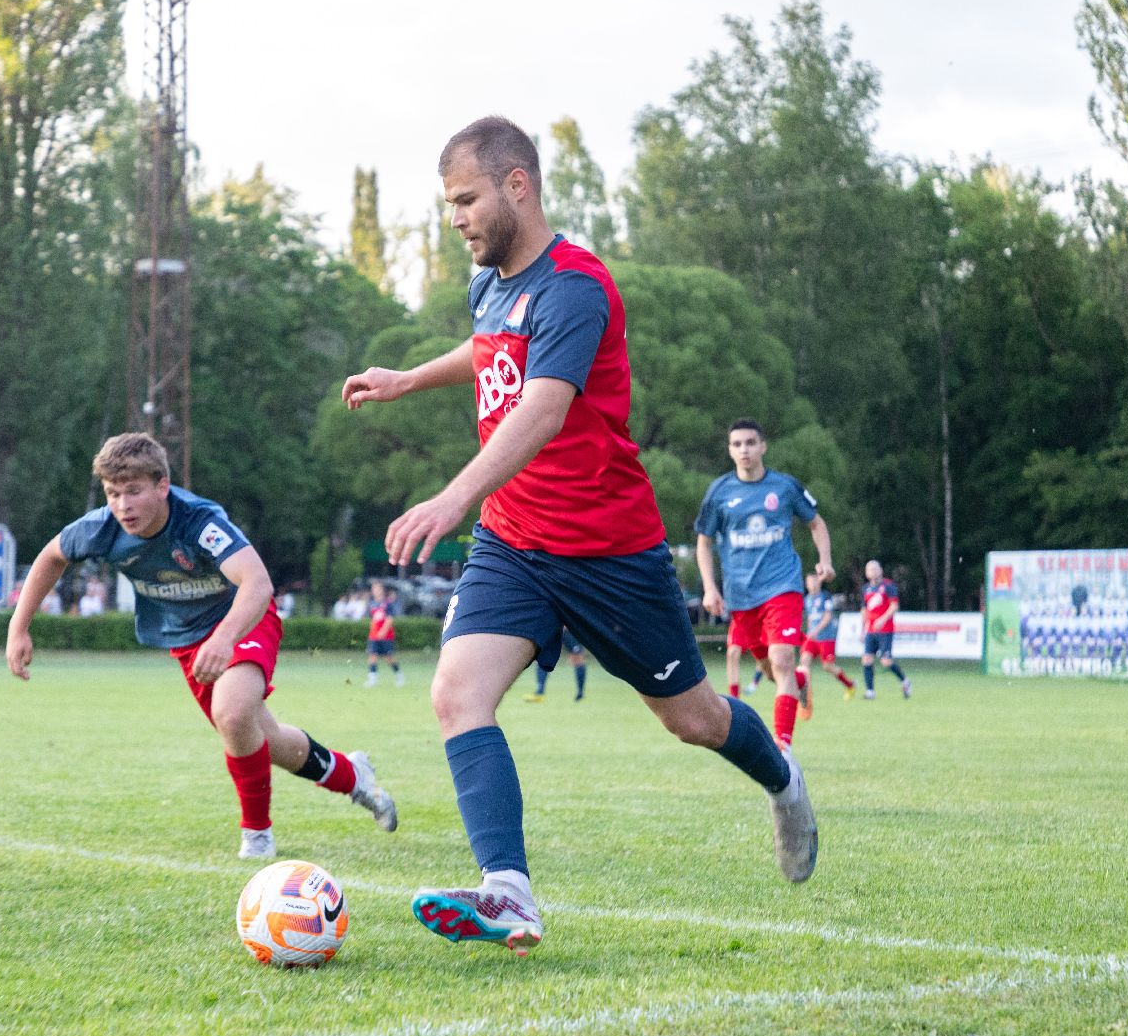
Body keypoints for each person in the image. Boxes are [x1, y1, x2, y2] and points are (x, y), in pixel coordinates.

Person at [339, 116, 815, 956]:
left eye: (467, 199)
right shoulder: (495, 282)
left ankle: (782, 778)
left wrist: (451, 499)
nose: (456, 218)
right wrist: (408, 378)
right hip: (514, 543)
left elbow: (543, 409)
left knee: (695, 719)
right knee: (456, 694)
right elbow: (492, 349)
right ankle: (508, 892)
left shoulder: (576, 287)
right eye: (450, 203)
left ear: (517, 184)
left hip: (608, 553)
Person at [6, 432, 398, 860]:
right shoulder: (101, 528)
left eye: (133, 491)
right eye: (113, 493)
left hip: (244, 619)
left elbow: (258, 583)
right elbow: (51, 557)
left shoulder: (198, 522)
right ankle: (354, 776)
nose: (123, 505)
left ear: (162, 486)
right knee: (262, 738)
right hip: (190, 641)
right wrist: (19, 627)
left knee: (231, 712)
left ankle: (257, 835)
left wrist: (226, 637)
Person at [695, 418, 834, 751]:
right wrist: (710, 588)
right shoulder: (719, 492)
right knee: (771, 669)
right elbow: (704, 541)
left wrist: (825, 560)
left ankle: (782, 747)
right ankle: (800, 681)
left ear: (763, 446)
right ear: (730, 450)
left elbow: (816, 523)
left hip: (782, 587)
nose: (745, 449)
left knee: (782, 658)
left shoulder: (784, 487)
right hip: (741, 597)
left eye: (750, 442)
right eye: (738, 444)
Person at [796, 571, 856, 706]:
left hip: (826, 637)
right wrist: (810, 630)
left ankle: (850, 685)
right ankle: (805, 693)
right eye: (809, 582)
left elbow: (828, 616)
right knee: (803, 661)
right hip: (812, 638)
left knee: (827, 666)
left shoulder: (826, 597)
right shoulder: (807, 599)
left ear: (818, 582)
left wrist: (815, 630)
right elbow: (811, 617)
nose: (811, 584)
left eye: (813, 581)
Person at [861, 559, 913, 699]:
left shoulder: (888, 586)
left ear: (881, 570)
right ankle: (870, 691)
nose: (873, 572)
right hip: (871, 631)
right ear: (867, 573)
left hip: (885, 630)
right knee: (866, 659)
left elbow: (894, 606)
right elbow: (864, 610)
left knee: (886, 661)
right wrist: (862, 629)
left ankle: (905, 681)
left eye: (875, 569)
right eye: (870, 569)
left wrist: (882, 619)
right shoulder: (865, 589)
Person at [523, 627, 587, 702]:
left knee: (577, 658)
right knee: (542, 656)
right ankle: (539, 692)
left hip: (569, 631)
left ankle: (580, 692)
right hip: (553, 629)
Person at [364, 581, 404, 687]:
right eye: (373, 589)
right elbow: (372, 619)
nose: (375, 591)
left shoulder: (388, 604)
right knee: (372, 655)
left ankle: (399, 675)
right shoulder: (372, 603)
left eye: (377, 588)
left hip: (386, 636)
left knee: (388, 657)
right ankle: (372, 678)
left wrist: (383, 631)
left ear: (382, 590)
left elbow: (390, 619)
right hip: (374, 636)